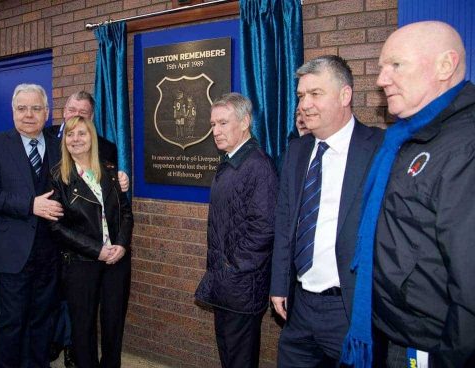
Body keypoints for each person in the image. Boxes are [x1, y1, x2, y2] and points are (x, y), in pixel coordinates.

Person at [342, 21, 475, 368]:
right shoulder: (404, 139)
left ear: (445, 66)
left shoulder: (465, 146)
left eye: (395, 65)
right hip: (392, 332)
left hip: (433, 347)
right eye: (383, 67)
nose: (381, 79)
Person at [269, 55, 383, 367]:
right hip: (300, 305)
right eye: (301, 95)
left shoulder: (378, 148)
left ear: (345, 95)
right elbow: (285, 222)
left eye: (315, 94)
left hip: (348, 309)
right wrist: (279, 283)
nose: (305, 104)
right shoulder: (297, 150)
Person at [0, 83, 63, 367]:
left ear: (47, 112)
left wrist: (116, 174)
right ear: (12, 111)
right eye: (22, 108)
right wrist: (30, 205)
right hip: (13, 251)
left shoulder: (59, 144)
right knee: (12, 322)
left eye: (36, 108)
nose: (29, 114)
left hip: (51, 252)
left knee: (43, 320)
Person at [195, 92, 278, 368]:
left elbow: (264, 229)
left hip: (240, 286)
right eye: (212, 125)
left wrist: (231, 265)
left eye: (222, 123)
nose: (215, 131)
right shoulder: (232, 161)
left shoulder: (256, 165)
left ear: (244, 122)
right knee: (229, 356)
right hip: (228, 285)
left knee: (239, 359)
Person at [48, 90, 129, 367]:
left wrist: (121, 245)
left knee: (113, 325)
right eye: (70, 135)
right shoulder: (58, 177)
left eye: (82, 132)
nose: (76, 139)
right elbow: (57, 228)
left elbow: (126, 212)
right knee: (82, 330)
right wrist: (98, 251)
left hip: (117, 262)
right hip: (81, 263)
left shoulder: (108, 169)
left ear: (92, 134)